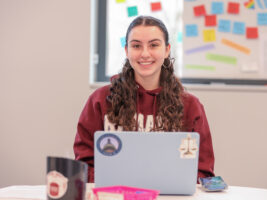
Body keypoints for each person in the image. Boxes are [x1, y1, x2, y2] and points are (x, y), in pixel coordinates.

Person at [73, 16, 215, 183]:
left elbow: (203, 171)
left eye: (154, 45)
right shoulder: (100, 100)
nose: (145, 53)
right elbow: (84, 164)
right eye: (136, 46)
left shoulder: (190, 106)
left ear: (167, 50)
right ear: (127, 51)